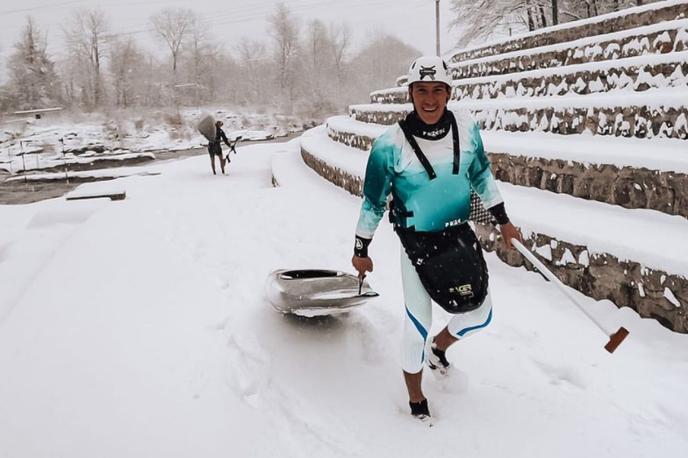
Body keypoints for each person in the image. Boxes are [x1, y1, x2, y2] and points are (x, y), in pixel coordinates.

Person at [351, 55, 522, 422]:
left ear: (449, 93)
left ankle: (438, 351)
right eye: (422, 91)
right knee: (416, 326)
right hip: (417, 245)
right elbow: (373, 203)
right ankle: (416, 399)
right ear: (411, 94)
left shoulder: (467, 128)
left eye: (438, 90)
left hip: (459, 233)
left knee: (480, 312)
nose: (430, 99)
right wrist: (360, 248)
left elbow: (482, 177)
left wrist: (504, 220)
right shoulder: (389, 145)